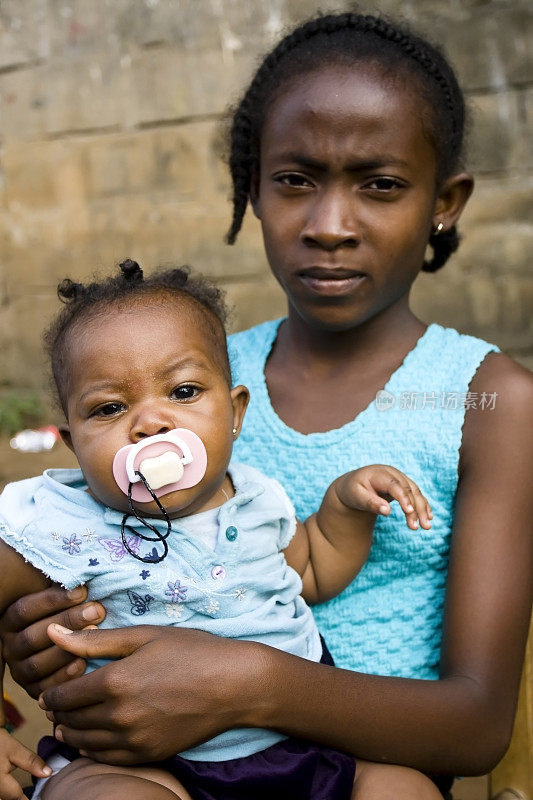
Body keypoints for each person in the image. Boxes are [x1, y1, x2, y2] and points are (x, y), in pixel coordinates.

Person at [1, 11, 532, 800]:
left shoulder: (490, 402)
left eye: (380, 185)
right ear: (250, 188)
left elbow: (476, 727)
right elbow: (56, 571)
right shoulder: (175, 377)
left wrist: (249, 682)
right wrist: (41, 637)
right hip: (150, 770)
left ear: (443, 201)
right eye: (294, 180)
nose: (328, 227)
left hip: (355, 775)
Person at [0, 259, 432, 800]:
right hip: (135, 763)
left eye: (182, 393)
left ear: (235, 412)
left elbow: (315, 566)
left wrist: (345, 507)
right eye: (110, 407)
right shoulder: (58, 521)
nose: (151, 423)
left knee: (403, 789)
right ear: (73, 442)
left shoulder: (256, 501)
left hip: (297, 747)